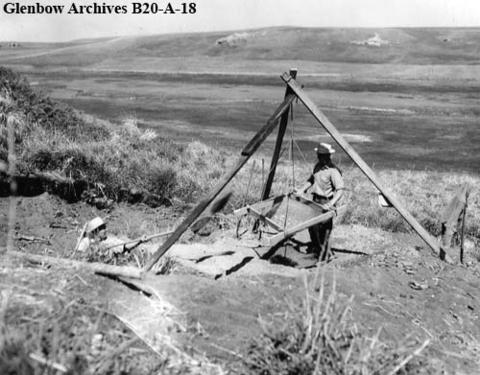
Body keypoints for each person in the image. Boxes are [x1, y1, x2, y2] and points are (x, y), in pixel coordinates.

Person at [296, 142, 345, 260]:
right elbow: (312, 179)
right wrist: (301, 190)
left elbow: (340, 190)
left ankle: (326, 254)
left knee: (323, 230)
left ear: (328, 156)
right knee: (312, 227)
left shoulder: (333, 171)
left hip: (325, 202)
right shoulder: (317, 167)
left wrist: (331, 203)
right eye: (319, 155)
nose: (320, 158)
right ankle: (316, 250)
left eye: (322, 156)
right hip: (315, 200)